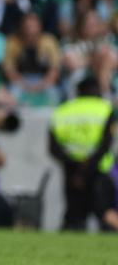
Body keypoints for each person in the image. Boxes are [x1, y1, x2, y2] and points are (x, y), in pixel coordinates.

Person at [49, 76, 118, 230]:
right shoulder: (105, 110)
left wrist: (76, 169)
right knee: (105, 215)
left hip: (71, 174)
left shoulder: (62, 111)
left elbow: (53, 148)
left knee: (74, 218)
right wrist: (87, 168)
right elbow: (105, 145)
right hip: (99, 172)